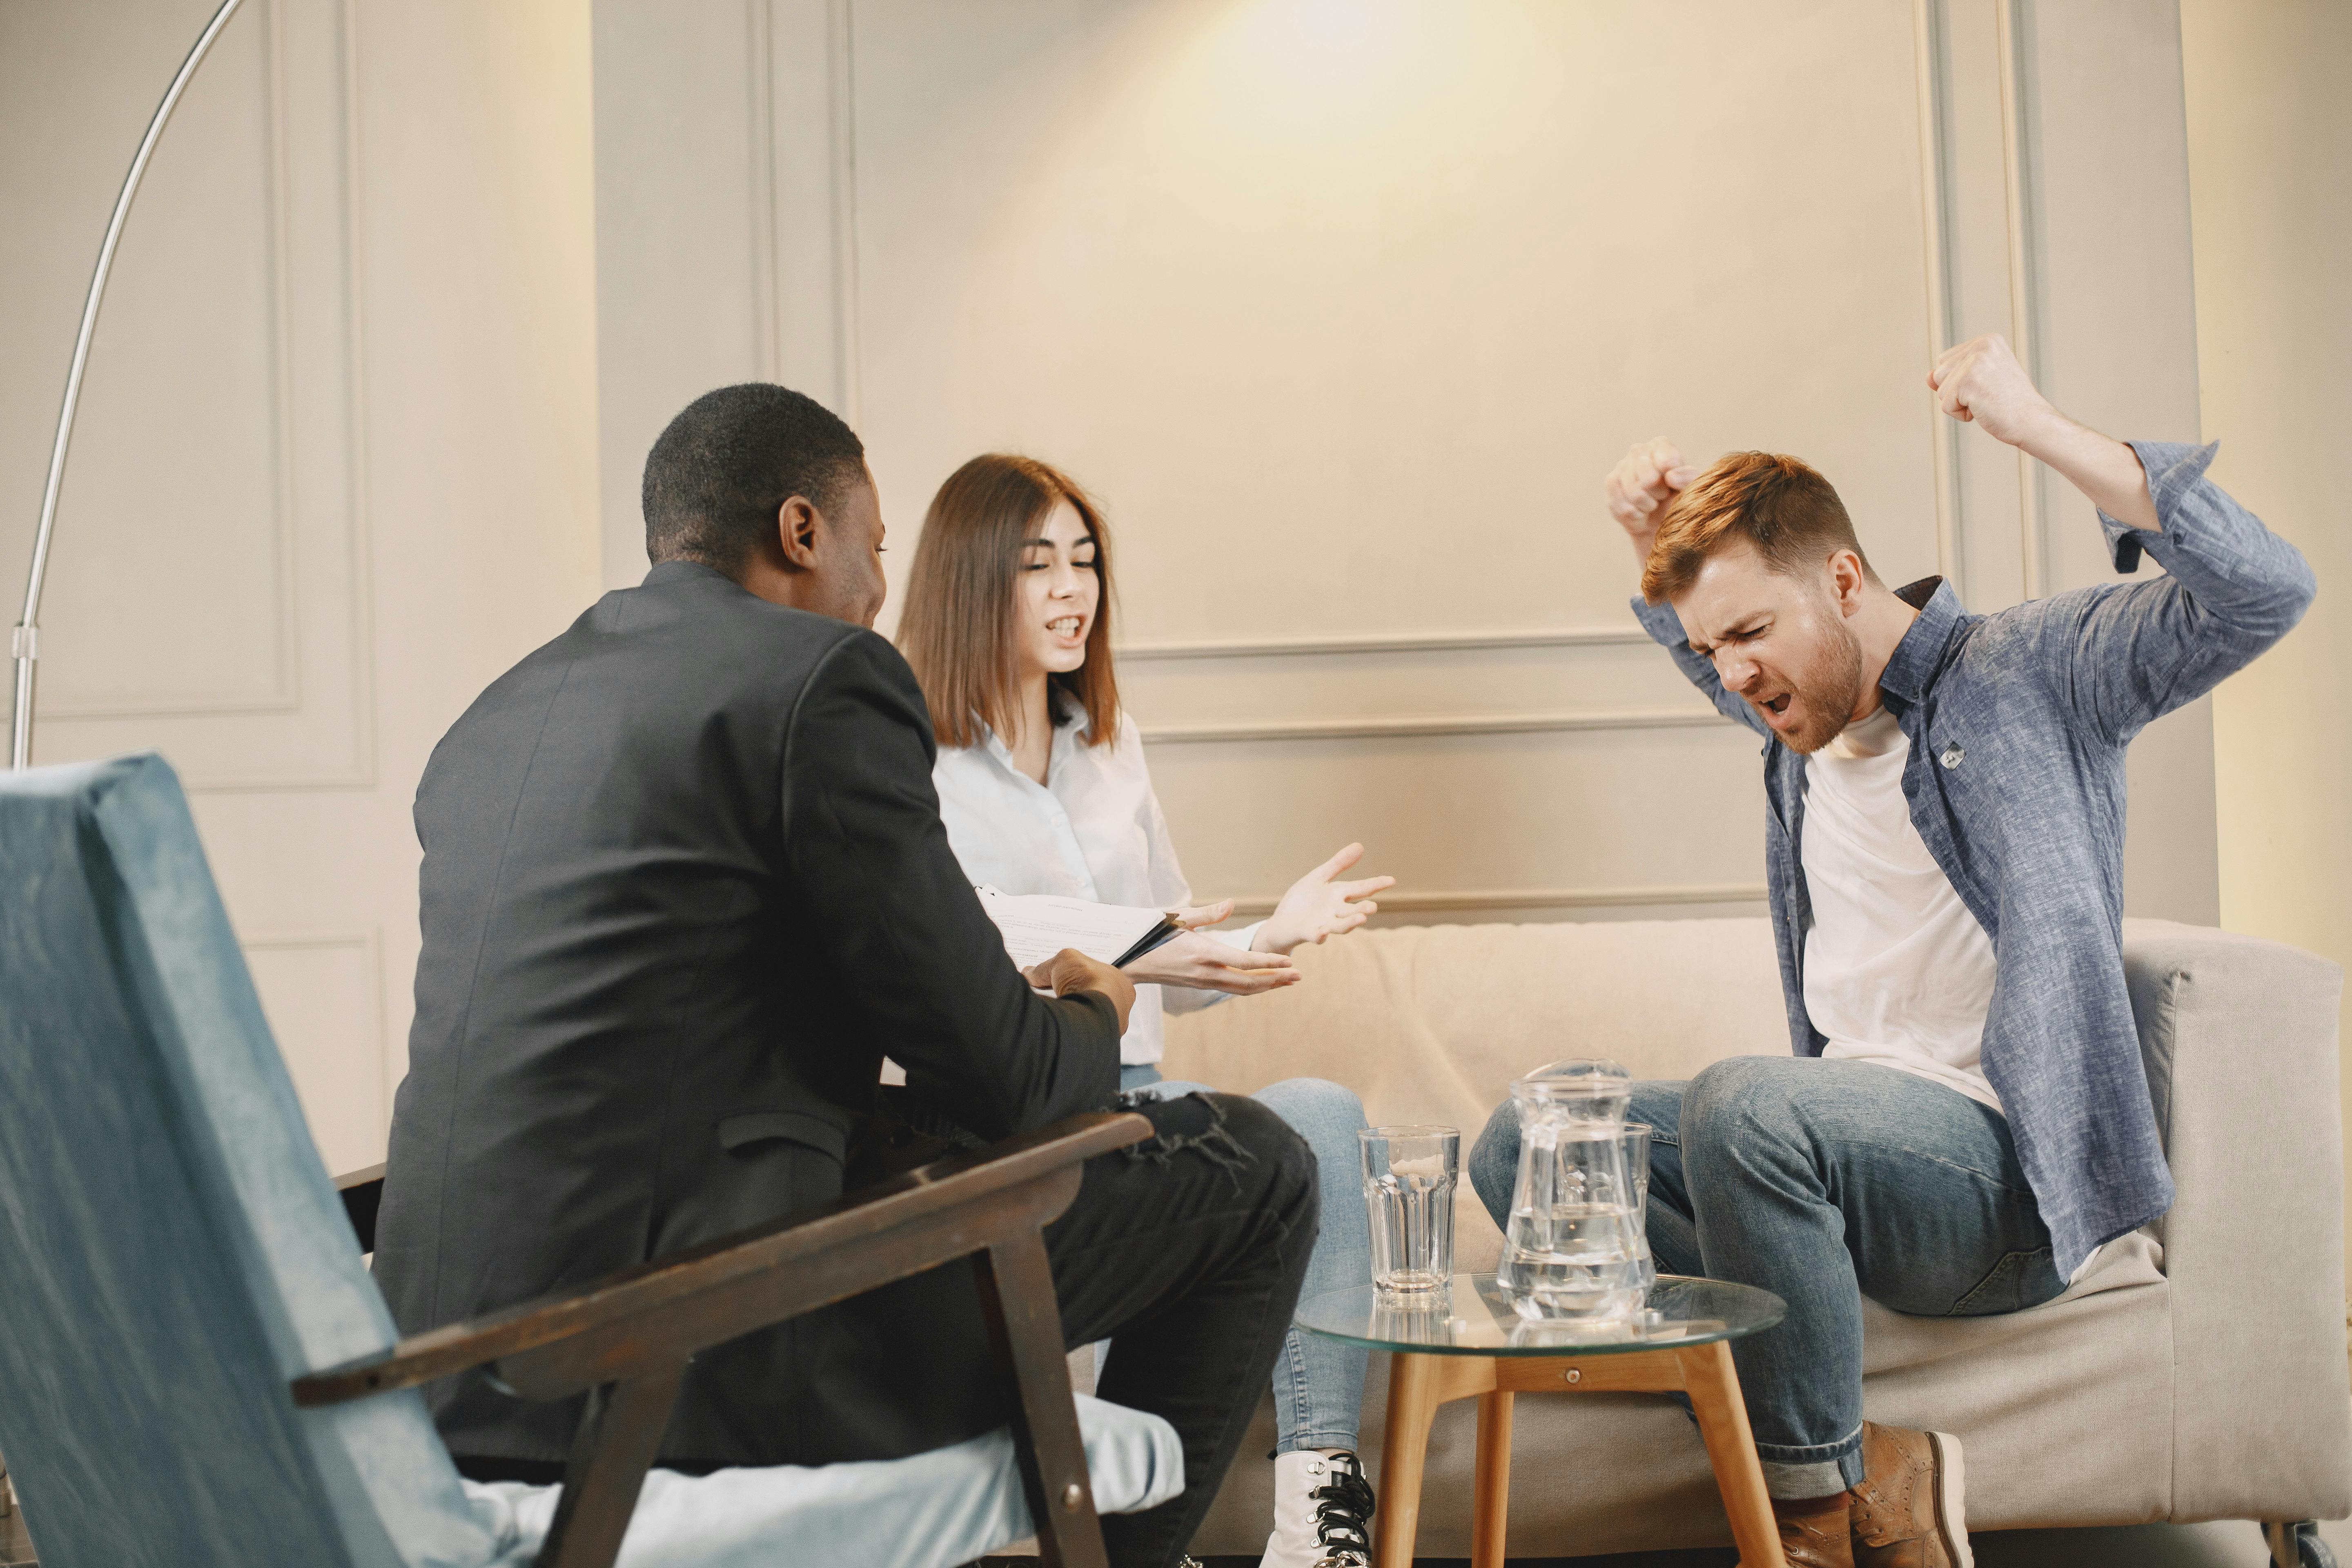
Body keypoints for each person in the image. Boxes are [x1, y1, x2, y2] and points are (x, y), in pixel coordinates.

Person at [371, 383, 1319, 1568]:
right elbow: (1011, 1079)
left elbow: (682, 1035)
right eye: (873, 547)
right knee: (1261, 1164)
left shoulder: (494, 721)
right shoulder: (822, 681)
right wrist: (1101, 1000)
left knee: (930, 1132)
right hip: (690, 1349)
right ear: (801, 531)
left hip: (451, 1366)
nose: (879, 591)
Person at [1466, 334, 2315, 1568]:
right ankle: (1876, 1467)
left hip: (2001, 1181)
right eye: (1712, 651)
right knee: (1529, 1143)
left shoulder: (2035, 671)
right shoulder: (1795, 710)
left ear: (1847, 582)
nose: (1732, 673)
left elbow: (2264, 590)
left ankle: (1806, 1525)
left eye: (1750, 629)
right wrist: (1650, 549)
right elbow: (1715, 640)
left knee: (1749, 1103)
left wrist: (2040, 430)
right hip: (1854, 1168)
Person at [895, 452, 1394, 1568]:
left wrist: (1264, 937)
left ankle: (1322, 1517)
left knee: (1318, 1112)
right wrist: (1146, 947)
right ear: (975, 580)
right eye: (1039, 566)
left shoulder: (1111, 742)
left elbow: (1166, 951)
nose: (1075, 589)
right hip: (1020, 1114)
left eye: (1086, 562)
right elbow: (961, 928)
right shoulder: (910, 758)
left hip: (1141, 1098)